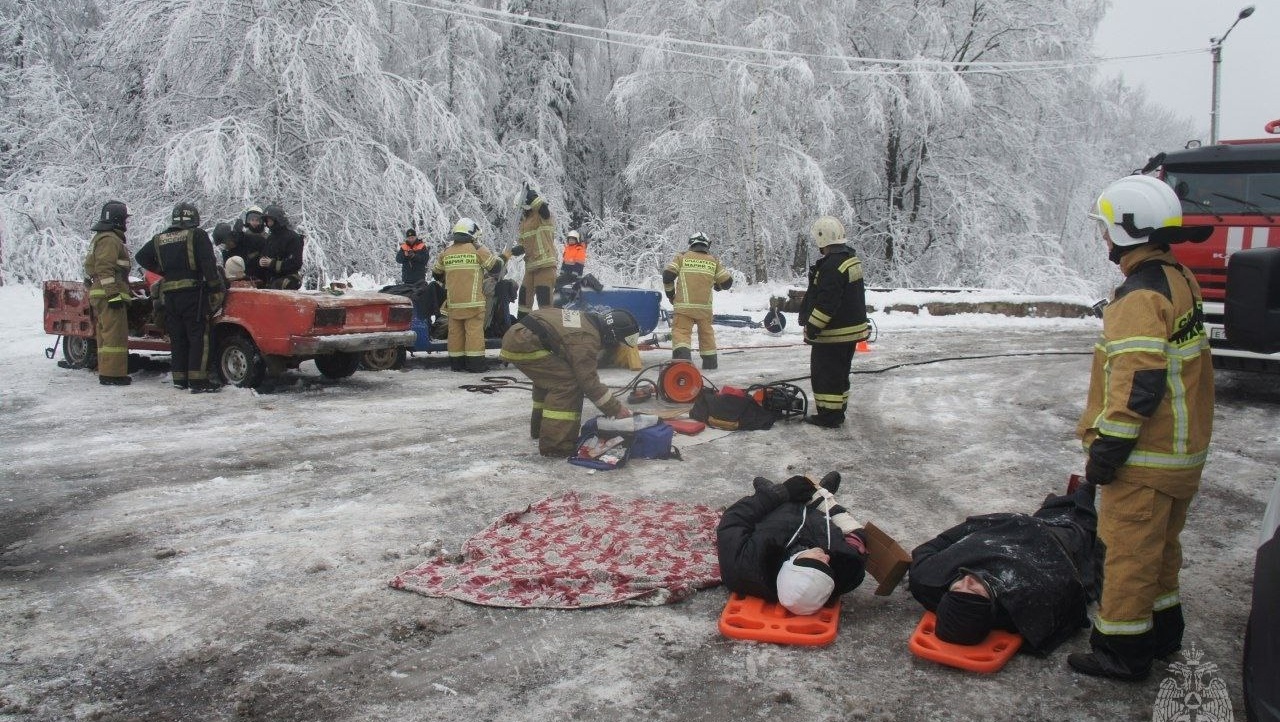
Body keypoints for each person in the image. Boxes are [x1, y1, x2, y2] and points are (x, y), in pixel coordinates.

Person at [1067, 174, 1215, 682]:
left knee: (1127, 553)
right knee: (1161, 548)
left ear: (1129, 229)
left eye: (1107, 230)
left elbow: (1138, 383)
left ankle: (1121, 651)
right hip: (1182, 453)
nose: (1104, 239)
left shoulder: (1138, 297)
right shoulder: (1178, 279)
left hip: (1145, 458)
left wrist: (1109, 447)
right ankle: (1163, 631)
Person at [908, 484, 1103, 653]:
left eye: (957, 588)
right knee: (1079, 515)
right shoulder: (1031, 602)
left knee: (1055, 508)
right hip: (1055, 540)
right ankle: (1081, 494)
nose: (966, 580)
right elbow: (1074, 611)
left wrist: (970, 528)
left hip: (1004, 526)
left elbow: (933, 546)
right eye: (975, 591)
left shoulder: (927, 578)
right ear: (991, 607)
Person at [716, 472, 867, 615]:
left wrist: (775, 495)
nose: (827, 558)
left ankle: (775, 490)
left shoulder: (743, 565)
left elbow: (733, 520)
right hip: (815, 515)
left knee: (784, 489)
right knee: (808, 490)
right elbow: (855, 533)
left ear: (793, 565)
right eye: (827, 567)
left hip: (776, 512)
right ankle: (819, 494)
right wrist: (823, 502)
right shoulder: (844, 568)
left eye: (818, 561)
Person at [499, 307, 639, 457]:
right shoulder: (586, 338)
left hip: (519, 337)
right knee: (568, 383)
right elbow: (588, 382)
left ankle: (540, 430)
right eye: (618, 342)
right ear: (611, 337)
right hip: (524, 344)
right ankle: (556, 446)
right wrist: (615, 409)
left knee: (551, 378)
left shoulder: (587, 321)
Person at [135, 203, 226, 393]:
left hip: (170, 298)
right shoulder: (197, 235)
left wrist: (164, 270)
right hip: (193, 295)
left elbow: (141, 256)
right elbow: (208, 263)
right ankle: (198, 381)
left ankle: (180, 379)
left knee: (178, 338)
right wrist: (216, 288)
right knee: (198, 337)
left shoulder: (160, 239)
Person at [797, 216, 870, 428]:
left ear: (822, 239)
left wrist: (812, 327)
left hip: (833, 335)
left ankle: (828, 416)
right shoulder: (850, 259)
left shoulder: (832, 267)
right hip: (850, 333)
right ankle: (837, 411)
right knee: (839, 374)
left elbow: (826, 303)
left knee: (825, 375)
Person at [432, 218, 502, 372]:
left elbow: (436, 274)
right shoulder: (477, 250)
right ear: (472, 234)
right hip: (473, 303)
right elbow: (495, 267)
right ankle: (476, 366)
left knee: (455, 333)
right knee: (473, 334)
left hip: (454, 303)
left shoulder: (447, 252)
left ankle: (457, 365)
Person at [82, 200, 135, 386]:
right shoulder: (110, 240)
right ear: (118, 220)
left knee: (105, 335)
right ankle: (113, 375)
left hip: (99, 293)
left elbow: (91, 268)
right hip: (108, 294)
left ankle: (106, 372)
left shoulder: (101, 238)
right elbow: (105, 268)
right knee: (114, 335)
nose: (126, 224)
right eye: (125, 220)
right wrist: (113, 294)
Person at [662, 232, 733, 370]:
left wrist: (671, 295)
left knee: (681, 333)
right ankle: (710, 364)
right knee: (707, 335)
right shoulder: (713, 260)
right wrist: (717, 286)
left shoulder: (681, 257)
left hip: (683, 308)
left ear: (691, 243)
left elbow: (667, 276)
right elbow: (727, 283)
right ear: (707, 245)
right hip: (704, 310)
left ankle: (682, 366)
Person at [511, 186, 558, 317]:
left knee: (544, 301)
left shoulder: (542, 216)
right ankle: (522, 328)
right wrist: (513, 251)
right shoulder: (524, 224)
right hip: (531, 267)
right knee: (524, 298)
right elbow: (523, 245)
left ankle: (548, 331)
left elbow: (544, 210)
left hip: (545, 265)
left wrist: (533, 197)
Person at [258, 204, 305, 289]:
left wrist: (272, 263)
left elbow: (296, 263)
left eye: (270, 221)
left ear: (278, 220)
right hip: (270, 279)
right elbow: (265, 253)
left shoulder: (293, 238)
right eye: (267, 221)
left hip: (287, 280)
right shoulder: (270, 238)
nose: (268, 224)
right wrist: (262, 260)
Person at [223, 206, 267, 273]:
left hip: (262, 271)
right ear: (248, 221)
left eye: (257, 220)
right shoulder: (243, 237)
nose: (254, 223)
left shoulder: (266, 237)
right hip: (245, 272)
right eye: (252, 220)